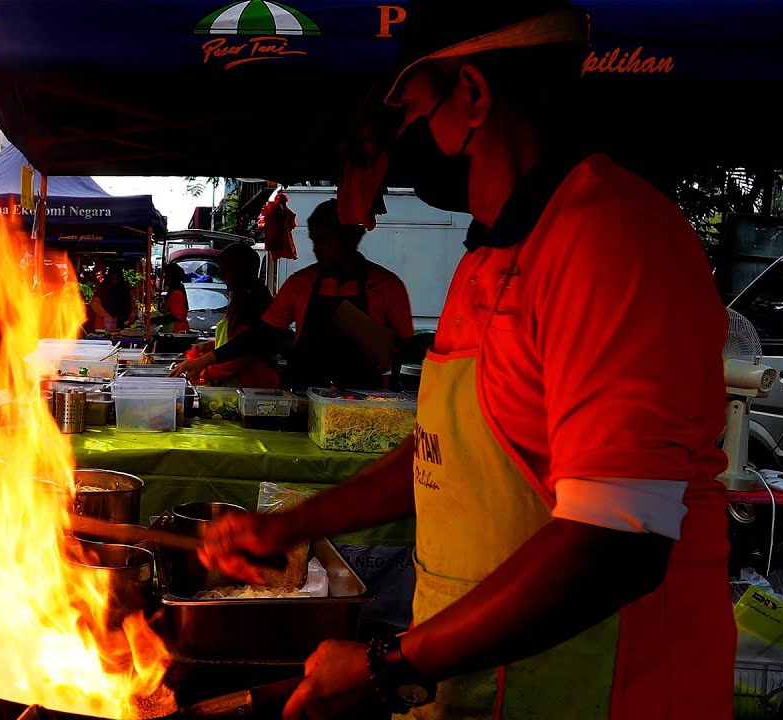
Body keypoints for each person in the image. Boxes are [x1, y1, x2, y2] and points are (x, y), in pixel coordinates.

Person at [200, 3, 734, 719]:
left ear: (474, 95)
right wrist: (288, 526)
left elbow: (617, 542)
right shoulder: (491, 256)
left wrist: (388, 663)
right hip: (480, 687)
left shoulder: (610, 239)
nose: (395, 144)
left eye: (409, 109)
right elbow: (445, 459)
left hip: (603, 693)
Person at [173, 199, 414, 390]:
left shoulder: (387, 286)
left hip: (362, 399)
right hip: (303, 394)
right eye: (314, 240)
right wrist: (205, 360)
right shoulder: (301, 284)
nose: (316, 249)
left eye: (324, 240)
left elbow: (405, 351)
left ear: (352, 237)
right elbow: (261, 334)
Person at [193, 243, 279, 388]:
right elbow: (235, 341)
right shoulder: (240, 297)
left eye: (224, 272)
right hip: (239, 384)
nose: (221, 277)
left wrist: (205, 369)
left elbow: (243, 350)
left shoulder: (252, 299)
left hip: (254, 385)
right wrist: (210, 347)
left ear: (239, 271)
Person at [88, 263, 136, 332]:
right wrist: (108, 317)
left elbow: (133, 306)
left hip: (123, 327)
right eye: (113, 278)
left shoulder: (125, 289)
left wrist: (132, 316)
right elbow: (94, 304)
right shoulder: (103, 288)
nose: (115, 280)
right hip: (103, 328)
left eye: (117, 278)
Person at [153, 262, 191, 334]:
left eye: (165, 275)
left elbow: (178, 315)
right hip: (174, 330)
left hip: (176, 331)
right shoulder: (176, 290)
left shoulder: (176, 293)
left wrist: (158, 319)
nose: (164, 278)